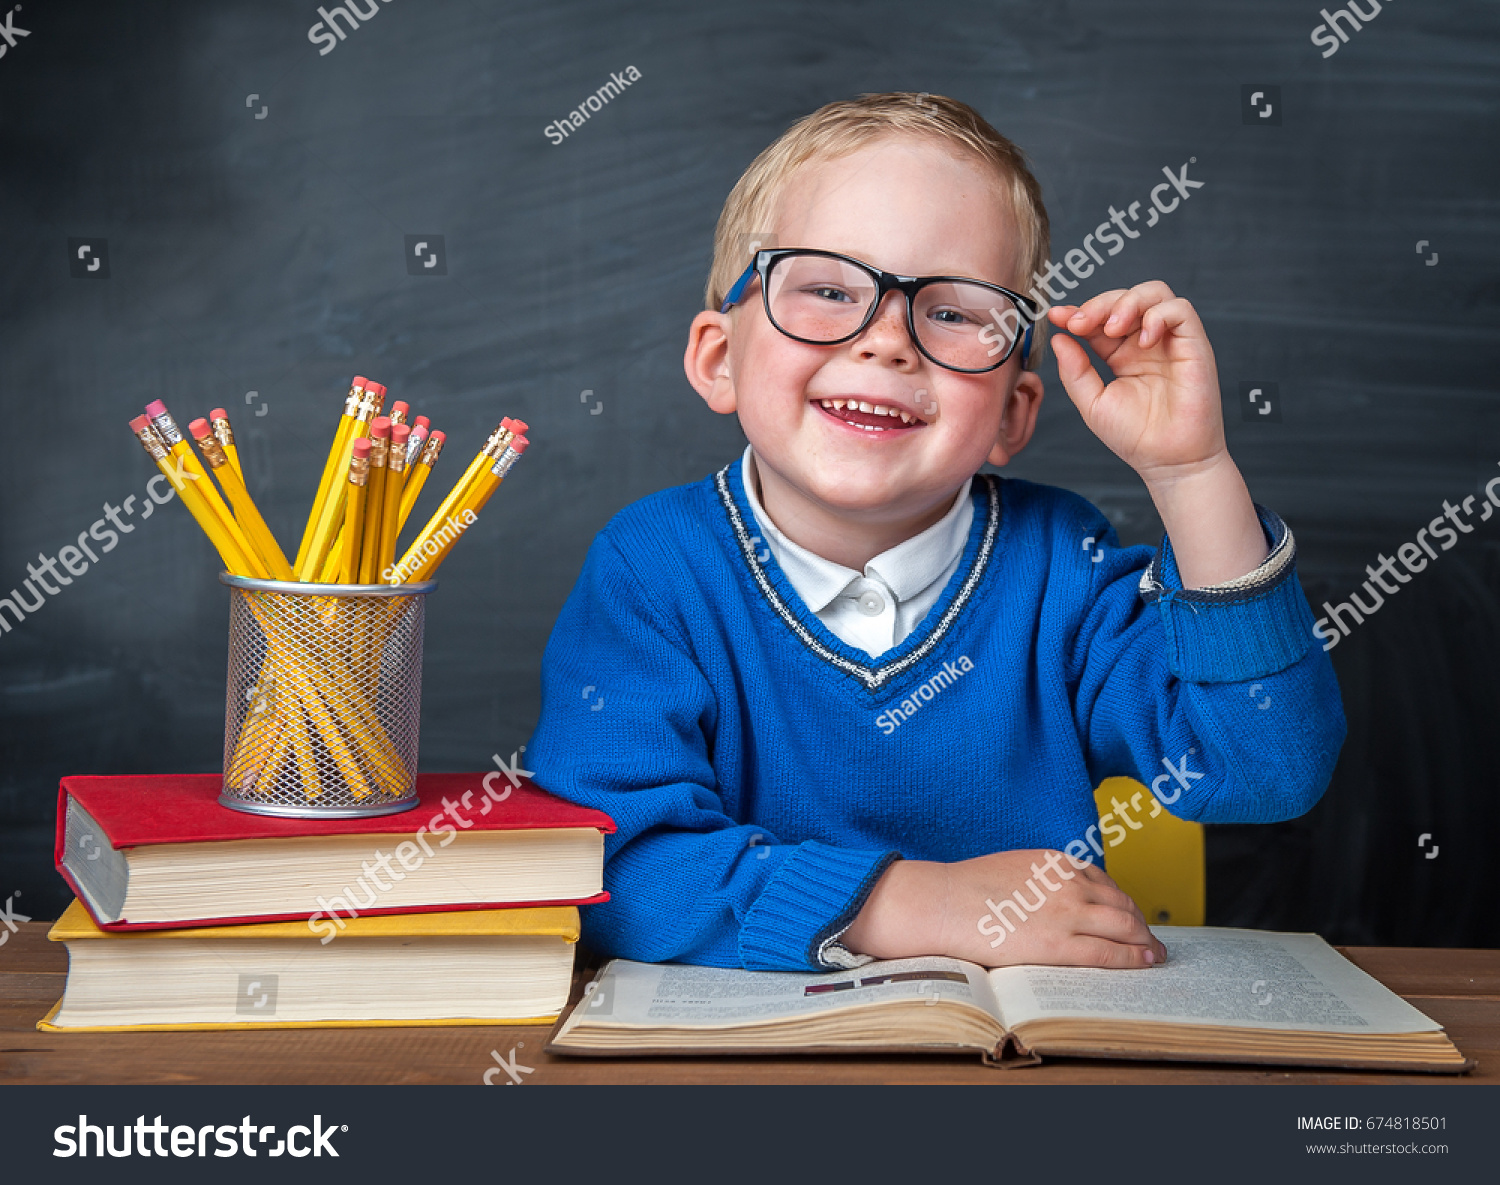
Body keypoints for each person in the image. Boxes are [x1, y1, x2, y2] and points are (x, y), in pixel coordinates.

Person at [525, 93, 1346, 973]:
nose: (887, 342)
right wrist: (910, 903)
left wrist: (1192, 473)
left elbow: (1267, 767)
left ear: (1011, 413)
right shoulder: (651, 570)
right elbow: (611, 868)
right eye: (829, 289)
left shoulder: (1061, 564)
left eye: (953, 312)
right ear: (719, 357)